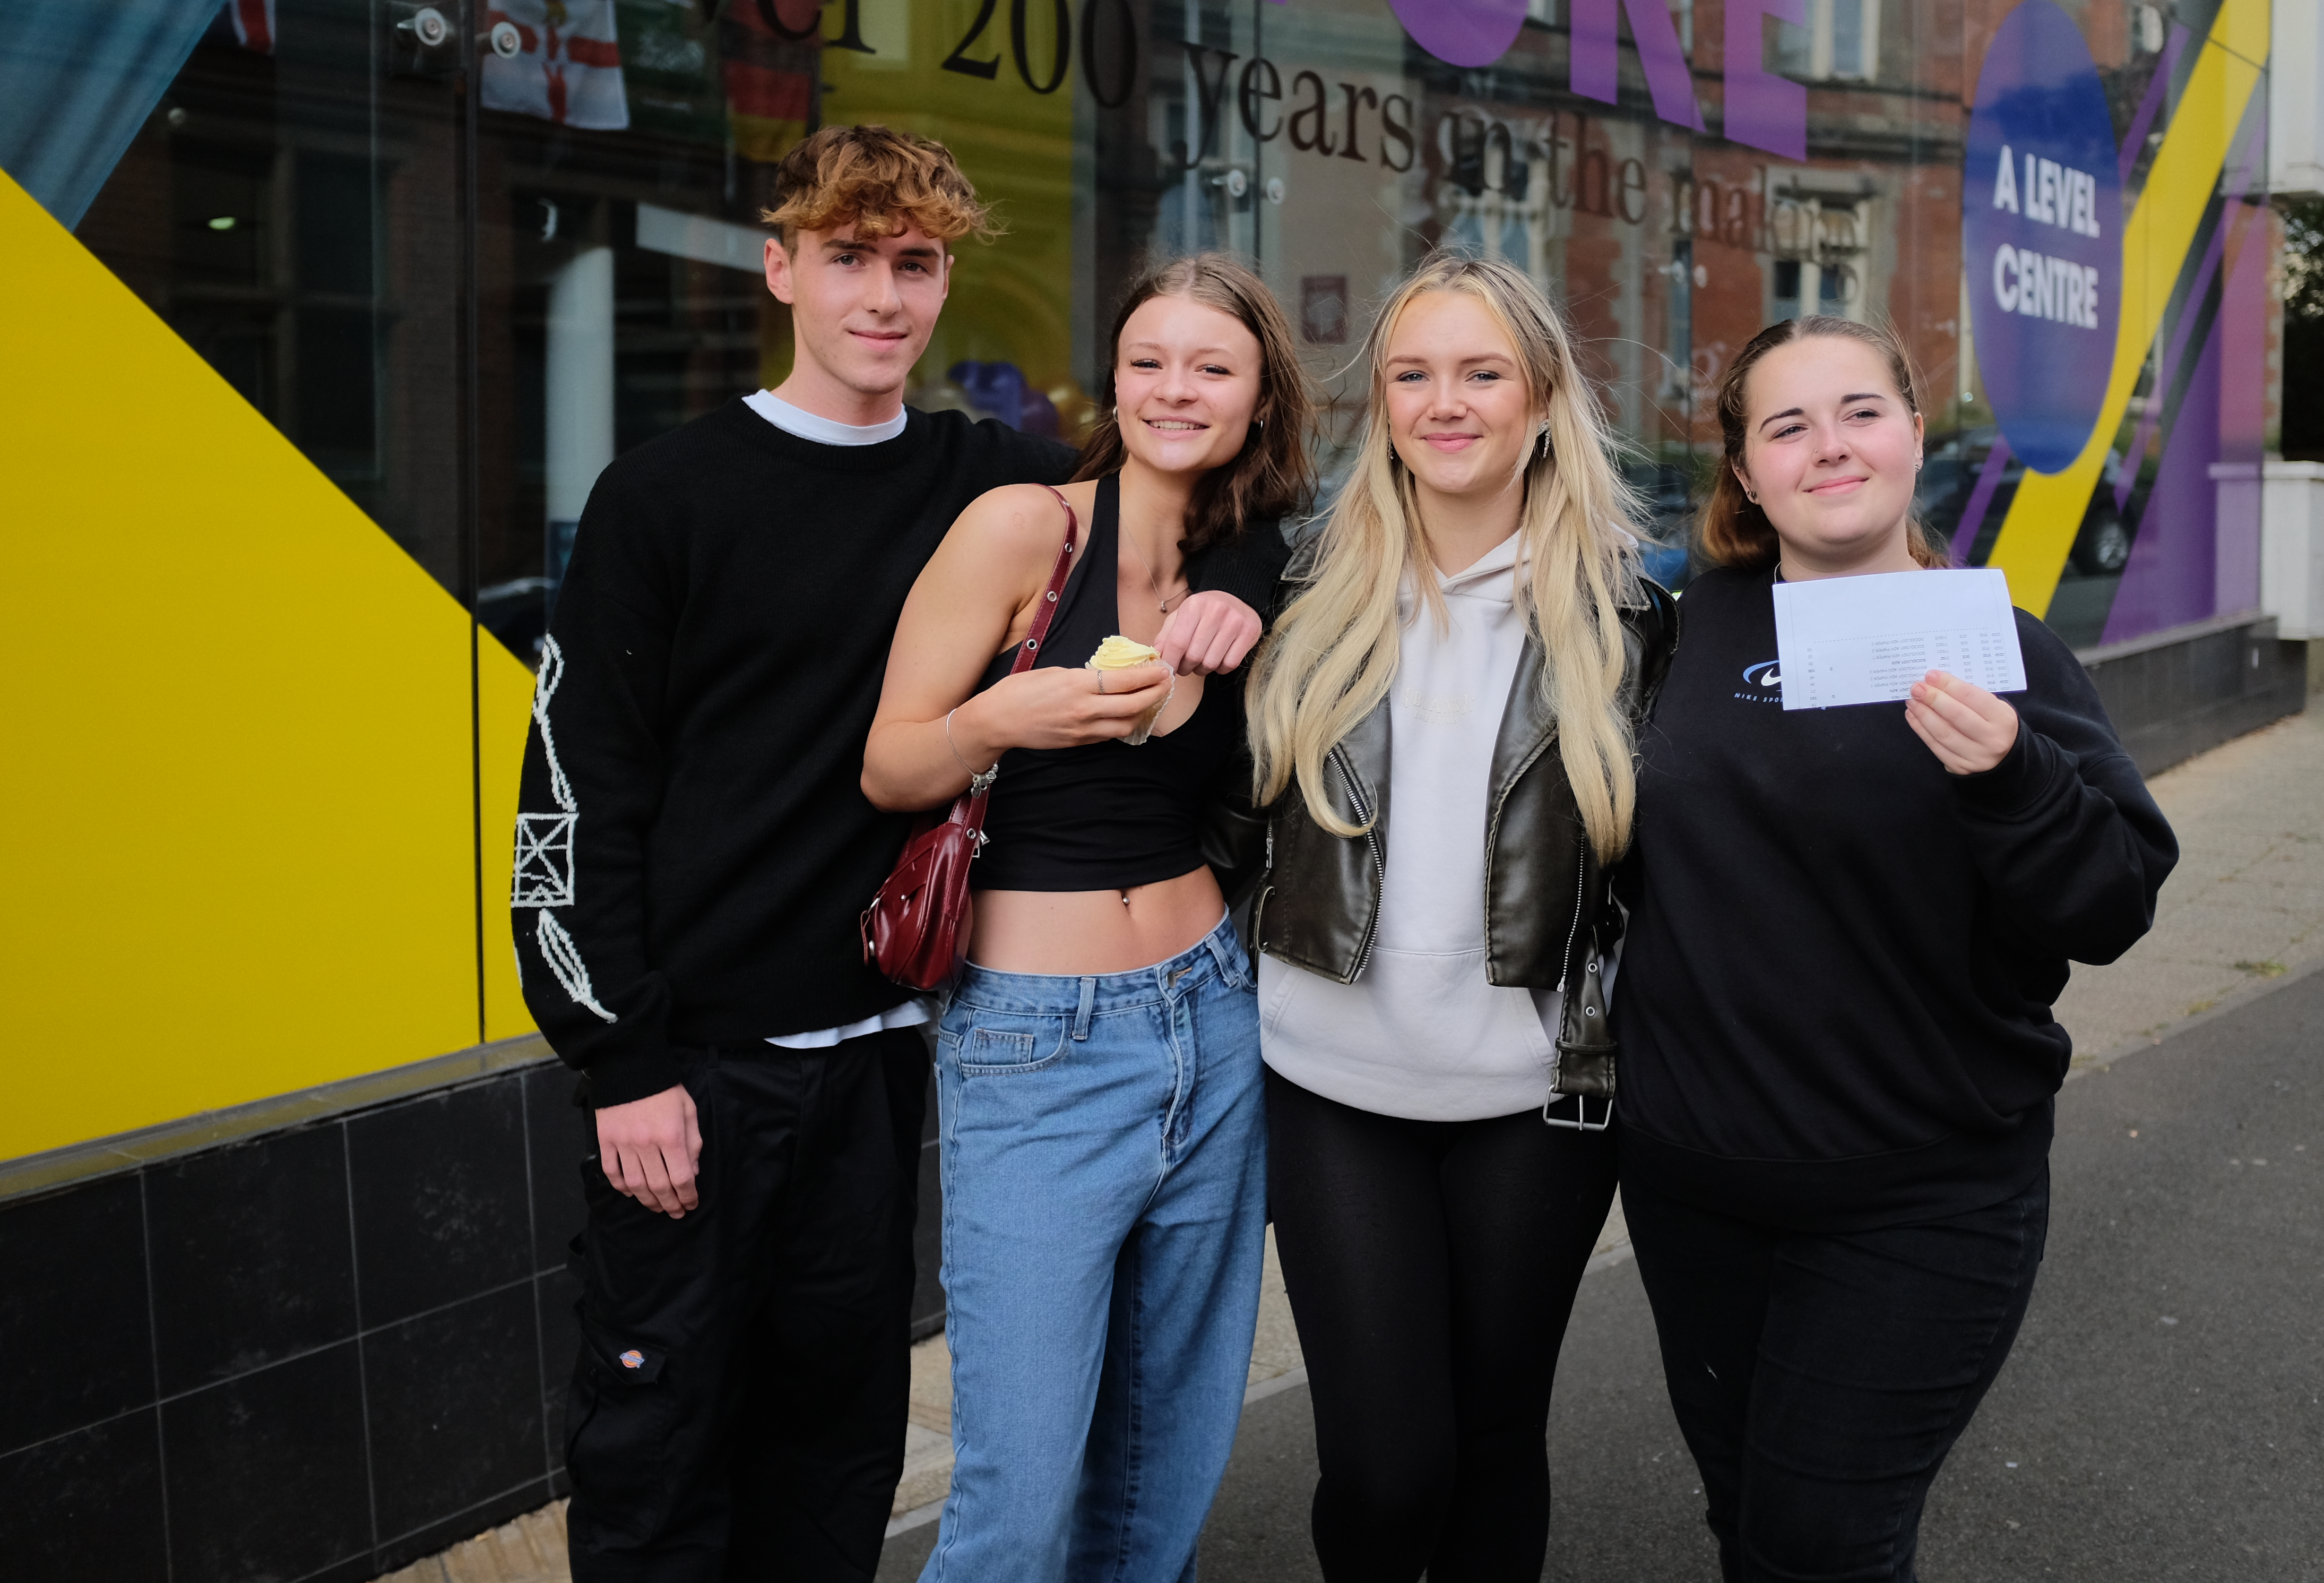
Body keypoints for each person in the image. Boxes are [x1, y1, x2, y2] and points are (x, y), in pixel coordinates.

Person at [511, 127, 1257, 1581]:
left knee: (839, 1443)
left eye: (913, 264)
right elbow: (573, 794)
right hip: (701, 1064)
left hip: (889, 1048)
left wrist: (1230, 588)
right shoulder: (665, 496)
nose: (882, 296)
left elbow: (1202, 492)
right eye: (848, 258)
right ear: (781, 267)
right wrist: (619, 1058)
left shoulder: (993, 478)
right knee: (657, 1445)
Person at [1613, 315, 2179, 1582]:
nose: (1830, 447)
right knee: (1751, 1522)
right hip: (1697, 1187)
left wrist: (2014, 777)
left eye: (1861, 412)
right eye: (1787, 425)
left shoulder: (1999, 646)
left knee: (1825, 1543)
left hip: (1922, 1195)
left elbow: (2113, 905)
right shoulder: (1679, 635)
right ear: (1745, 473)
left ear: (1916, 436)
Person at [862, 252, 1313, 1581]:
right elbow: (891, 764)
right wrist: (1011, 716)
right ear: (1112, 380)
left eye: (1213, 368)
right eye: (1150, 361)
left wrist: (1261, 586)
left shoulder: (1251, 557)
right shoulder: (1025, 528)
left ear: (1258, 397)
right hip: (1035, 1043)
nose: (1177, 389)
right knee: (1022, 1482)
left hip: (1213, 1021)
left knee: (1163, 1456)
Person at [1238, 251, 1675, 1582]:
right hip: (1331, 1086)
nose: (1446, 402)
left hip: (1537, 1105)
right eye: (1412, 374)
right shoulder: (1297, 595)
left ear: (1542, 401)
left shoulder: (1636, 622)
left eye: (1482, 373)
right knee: (1383, 1469)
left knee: (1494, 1446)